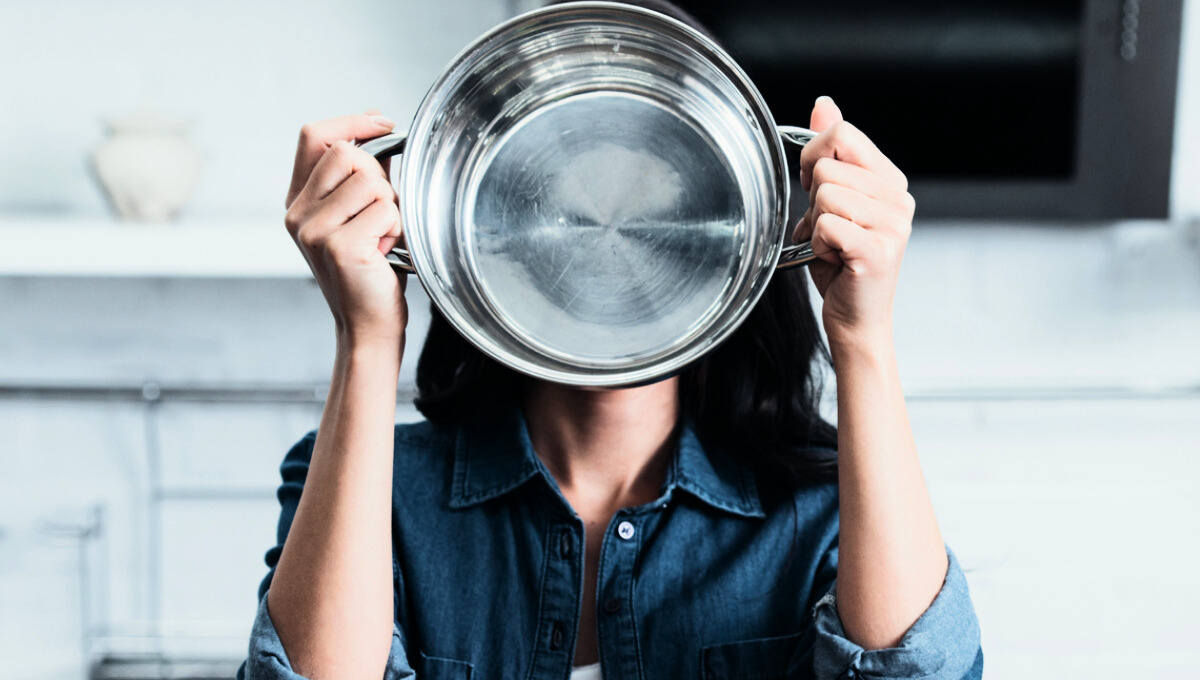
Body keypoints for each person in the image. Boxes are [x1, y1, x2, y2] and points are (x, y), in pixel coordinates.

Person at [238, 3, 982, 679]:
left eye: (655, 201)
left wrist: (864, 334)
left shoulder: (821, 505)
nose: (606, 237)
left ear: (728, 220)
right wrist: (366, 337)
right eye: (560, 192)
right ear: (481, 225)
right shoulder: (382, 490)